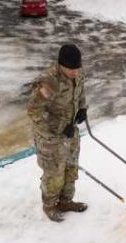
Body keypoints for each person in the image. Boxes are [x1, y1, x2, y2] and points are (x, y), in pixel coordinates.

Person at [27, 44, 89, 222]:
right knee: (54, 172)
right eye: (71, 69)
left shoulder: (78, 74)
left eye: (77, 68)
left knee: (70, 167)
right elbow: (34, 111)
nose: (75, 72)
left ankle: (65, 201)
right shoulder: (49, 82)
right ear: (61, 64)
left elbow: (80, 92)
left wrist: (82, 108)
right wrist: (57, 129)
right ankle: (50, 205)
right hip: (51, 137)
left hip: (71, 131)